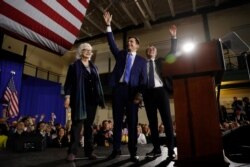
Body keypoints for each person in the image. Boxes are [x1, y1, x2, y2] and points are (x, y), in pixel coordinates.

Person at [103, 11, 147, 162]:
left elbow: (144, 80)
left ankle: (133, 151)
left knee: (133, 122)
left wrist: (139, 95)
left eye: (132, 42)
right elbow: (111, 44)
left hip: (133, 93)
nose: (129, 44)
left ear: (137, 45)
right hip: (119, 90)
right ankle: (115, 150)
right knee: (117, 121)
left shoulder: (142, 61)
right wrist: (108, 25)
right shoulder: (121, 54)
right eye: (128, 42)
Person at [64, 43, 105, 161]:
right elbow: (69, 84)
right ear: (81, 52)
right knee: (77, 126)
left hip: (92, 101)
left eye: (90, 50)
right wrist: (67, 97)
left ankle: (89, 151)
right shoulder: (74, 66)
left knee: (89, 127)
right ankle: (72, 152)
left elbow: (97, 84)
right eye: (86, 50)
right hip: (79, 100)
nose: (88, 52)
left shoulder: (94, 67)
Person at [143, 25, 177, 160]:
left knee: (167, 121)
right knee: (152, 122)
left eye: (153, 48)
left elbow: (173, 52)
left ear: (156, 53)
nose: (151, 49)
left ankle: (170, 150)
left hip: (161, 92)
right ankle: (156, 149)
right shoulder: (142, 65)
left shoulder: (161, 61)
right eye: (149, 49)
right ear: (146, 52)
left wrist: (173, 37)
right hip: (148, 94)